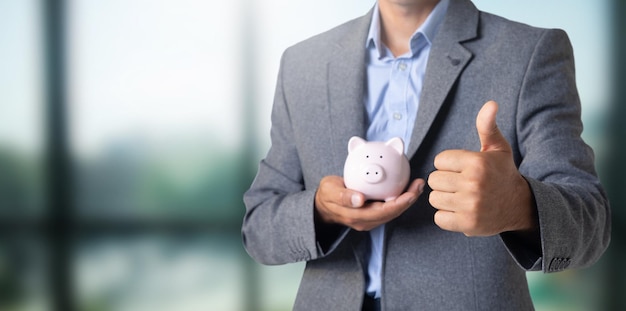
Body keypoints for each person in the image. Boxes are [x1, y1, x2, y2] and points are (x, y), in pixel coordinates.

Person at [242, 0, 611, 309]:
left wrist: (520, 205)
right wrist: (320, 212)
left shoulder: (530, 53)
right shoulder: (302, 63)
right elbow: (258, 228)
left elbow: (591, 225)